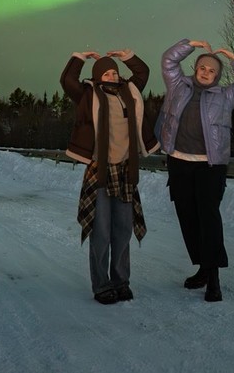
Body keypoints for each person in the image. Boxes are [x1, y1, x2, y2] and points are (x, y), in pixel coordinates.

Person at [155, 38, 234, 302]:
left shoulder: (225, 96)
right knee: (188, 219)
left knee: (209, 219)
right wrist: (188, 44)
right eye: (202, 67)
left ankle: (214, 279)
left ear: (217, 75)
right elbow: (168, 60)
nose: (206, 72)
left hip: (209, 166)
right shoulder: (178, 85)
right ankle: (202, 268)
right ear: (196, 67)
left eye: (212, 70)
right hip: (178, 161)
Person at [61, 48, 159, 304]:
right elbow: (67, 81)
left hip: (126, 171)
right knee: (101, 231)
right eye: (106, 72)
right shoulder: (87, 94)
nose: (112, 75)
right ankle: (102, 285)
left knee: (123, 230)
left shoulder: (130, 92)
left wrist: (128, 56)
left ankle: (121, 281)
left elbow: (143, 72)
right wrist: (79, 58)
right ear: (97, 77)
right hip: (100, 171)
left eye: (115, 71)